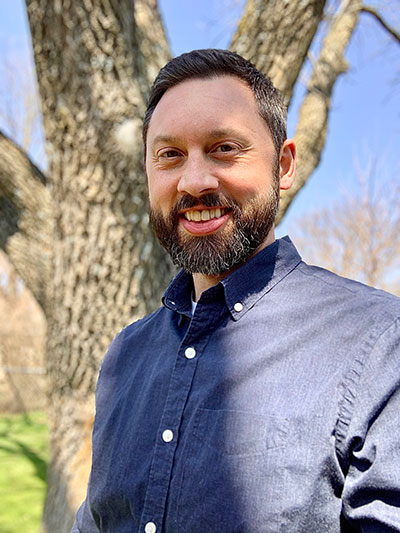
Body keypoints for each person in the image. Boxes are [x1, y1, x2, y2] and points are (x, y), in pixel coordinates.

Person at [72, 49, 400, 533]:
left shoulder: (379, 343)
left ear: (284, 165)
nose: (195, 180)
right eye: (169, 155)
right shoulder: (126, 354)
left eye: (224, 148)